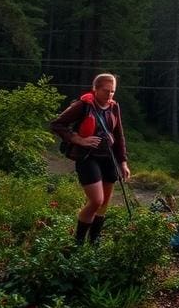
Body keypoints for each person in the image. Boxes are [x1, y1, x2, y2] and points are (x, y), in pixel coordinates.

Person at [50, 73, 131, 245]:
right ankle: (78, 242)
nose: (109, 95)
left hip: (108, 157)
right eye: (106, 91)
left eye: (112, 92)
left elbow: (119, 136)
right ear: (95, 89)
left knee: (104, 203)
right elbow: (57, 124)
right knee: (96, 200)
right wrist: (78, 139)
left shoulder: (114, 107)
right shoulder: (82, 105)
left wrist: (123, 162)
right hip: (87, 157)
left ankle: (94, 241)